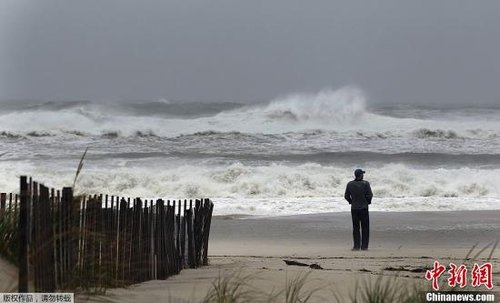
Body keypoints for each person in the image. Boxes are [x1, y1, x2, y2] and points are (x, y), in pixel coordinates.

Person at [344, 169, 373, 251]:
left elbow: (346, 196)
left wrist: (351, 202)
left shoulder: (350, 184)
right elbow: (370, 195)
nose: (363, 175)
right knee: (365, 228)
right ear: (360, 175)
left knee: (356, 228)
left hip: (354, 208)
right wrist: (368, 202)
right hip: (364, 208)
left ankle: (356, 246)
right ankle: (364, 246)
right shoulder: (366, 184)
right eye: (362, 174)